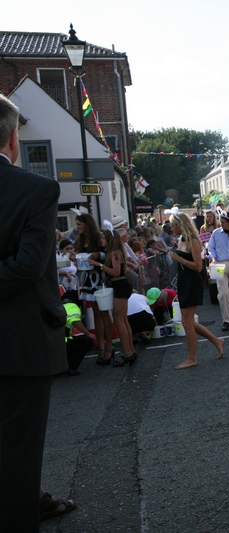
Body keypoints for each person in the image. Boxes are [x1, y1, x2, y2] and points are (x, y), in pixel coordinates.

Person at [0, 93, 68, 530]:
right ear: (12, 138)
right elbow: (28, 266)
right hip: (20, 340)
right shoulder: (36, 189)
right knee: (19, 450)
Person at [168, 212, 226, 369]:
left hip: (192, 283)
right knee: (187, 321)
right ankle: (217, 341)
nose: (172, 228)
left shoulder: (193, 240)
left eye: (173, 225)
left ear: (181, 225)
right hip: (184, 282)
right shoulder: (182, 239)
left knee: (187, 321)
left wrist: (179, 259)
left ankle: (192, 357)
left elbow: (198, 266)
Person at [90, 229, 137, 366]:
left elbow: (116, 272)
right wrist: (107, 277)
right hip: (120, 285)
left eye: (103, 238)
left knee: (119, 320)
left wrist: (99, 265)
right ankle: (131, 351)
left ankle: (127, 353)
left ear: (109, 239)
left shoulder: (114, 253)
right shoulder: (116, 252)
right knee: (123, 320)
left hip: (120, 287)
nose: (101, 241)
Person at [75, 213, 114, 364]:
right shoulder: (82, 238)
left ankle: (109, 346)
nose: (77, 227)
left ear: (87, 224)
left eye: (79, 224)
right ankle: (101, 346)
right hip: (87, 278)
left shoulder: (98, 237)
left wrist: (99, 254)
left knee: (104, 313)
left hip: (100, 277)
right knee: (96, 313)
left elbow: (109, 254)